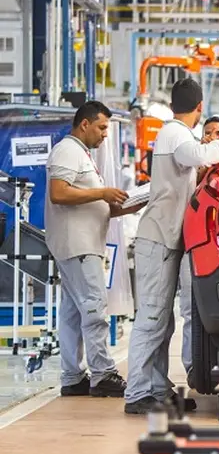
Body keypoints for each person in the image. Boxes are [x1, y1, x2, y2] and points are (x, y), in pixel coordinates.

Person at [124, 80, 219, 415]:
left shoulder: (174, 135)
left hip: (166, 239)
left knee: (163, 321)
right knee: (152, 317)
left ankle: (157, 388)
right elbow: (199, 154)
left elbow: (192, 168)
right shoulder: (175, 134)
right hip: (157, 238)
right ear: (199, 107)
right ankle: (137, 392)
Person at [45, 101, 146, 397]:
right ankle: (102, 374)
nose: (105, 134)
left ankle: (72, 376)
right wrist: (102, 192)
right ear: (85, 124)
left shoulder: (83, 155)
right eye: (101, 127)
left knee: (73, 313)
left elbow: (91, 203)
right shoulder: (68, 150)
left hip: (83, 243)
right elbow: (59, 193)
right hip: (76, 244)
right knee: (93, 308)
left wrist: (128, 206)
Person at [178, 115, 219, 388]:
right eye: (208, 133)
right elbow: (191, 188)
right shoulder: (197, 165)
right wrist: (205, 162)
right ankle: (194, 366)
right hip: (194, 244)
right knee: (189, 309)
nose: (213, 136)